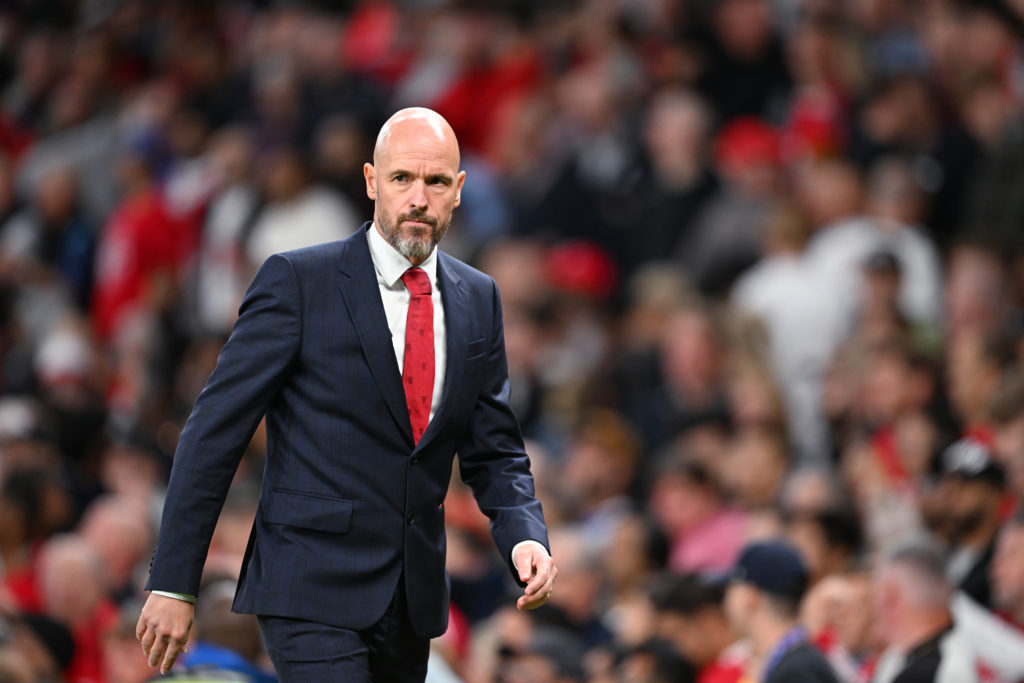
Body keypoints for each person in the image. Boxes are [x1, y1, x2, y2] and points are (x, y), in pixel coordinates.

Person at [135, 107, 556, 681]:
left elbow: (494, 450)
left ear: (458, 191)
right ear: (370, 182)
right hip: (307, 589)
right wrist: (173, 583)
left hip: (412, 601)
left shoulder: (477, 297)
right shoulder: (297, 281)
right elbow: (214, 433)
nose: (418, 198)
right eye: (402, 178)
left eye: (436, 182)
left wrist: (524, 535)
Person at [723, 539, 840, 683]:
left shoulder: (797, 671)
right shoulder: (794, 663)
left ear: (750, 596)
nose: (725, 601)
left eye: (731, 588)